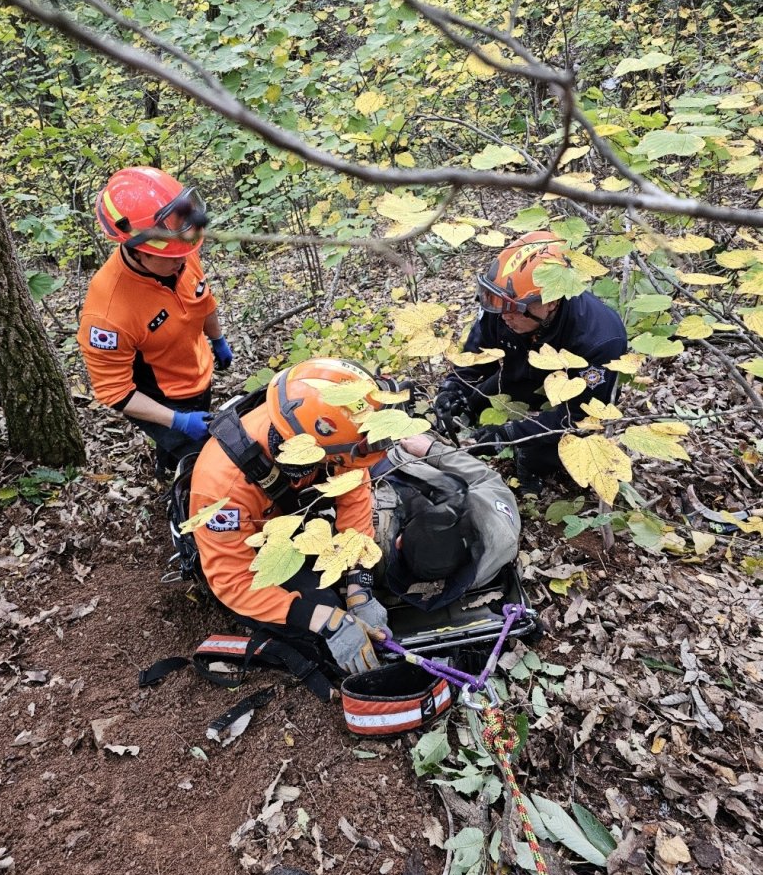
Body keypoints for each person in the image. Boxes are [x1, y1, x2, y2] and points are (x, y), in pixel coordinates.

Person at [189, 358, 394, 677]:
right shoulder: (219, 489)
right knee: (319, 625)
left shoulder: (326, 435)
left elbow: (354, 492)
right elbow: (233, 580)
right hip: (248, 548)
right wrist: (325, 620)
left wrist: (359, 584)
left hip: (294, 514)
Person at [434, 231, 627, 493]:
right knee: (472, 401)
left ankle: (534, 464)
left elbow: (580, 415)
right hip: (520, 371)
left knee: (547, 445)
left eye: (511, 308)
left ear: (550, 302)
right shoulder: (504, 308)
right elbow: (477, 356)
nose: (503, 317)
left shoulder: (601, 337)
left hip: (567, 393)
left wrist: (510, 434)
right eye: (497, 304)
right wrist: (452, 389)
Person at [77, 167, 233, 477]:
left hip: (195, 371)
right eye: (174, 258)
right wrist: (176, 421)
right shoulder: (108, 313)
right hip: (159, 396)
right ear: (138, 251)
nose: (184, 261)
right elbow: (115, 393)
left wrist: (216, 339)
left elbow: (203, 297)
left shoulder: (178, 249)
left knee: (187, 445)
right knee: (210, 466)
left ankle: (166, 462)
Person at [371, 432, 520, 609]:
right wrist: (432, 450)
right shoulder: (500, 532)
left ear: (398, 542)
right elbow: (487, 478)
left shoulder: (370, 552)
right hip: (410, 462)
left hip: (379, 469)